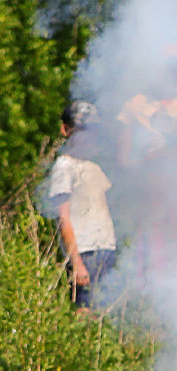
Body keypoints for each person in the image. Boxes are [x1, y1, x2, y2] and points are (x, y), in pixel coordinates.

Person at [43, 103, 114, 311]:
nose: (87, 137)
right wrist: (76, 262)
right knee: (85, 312)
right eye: (81, 130)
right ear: (65, 130)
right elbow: (63, 217)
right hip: (85, 253)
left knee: (104, 314)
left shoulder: (94, 166)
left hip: (105, 249)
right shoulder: (64, 167)